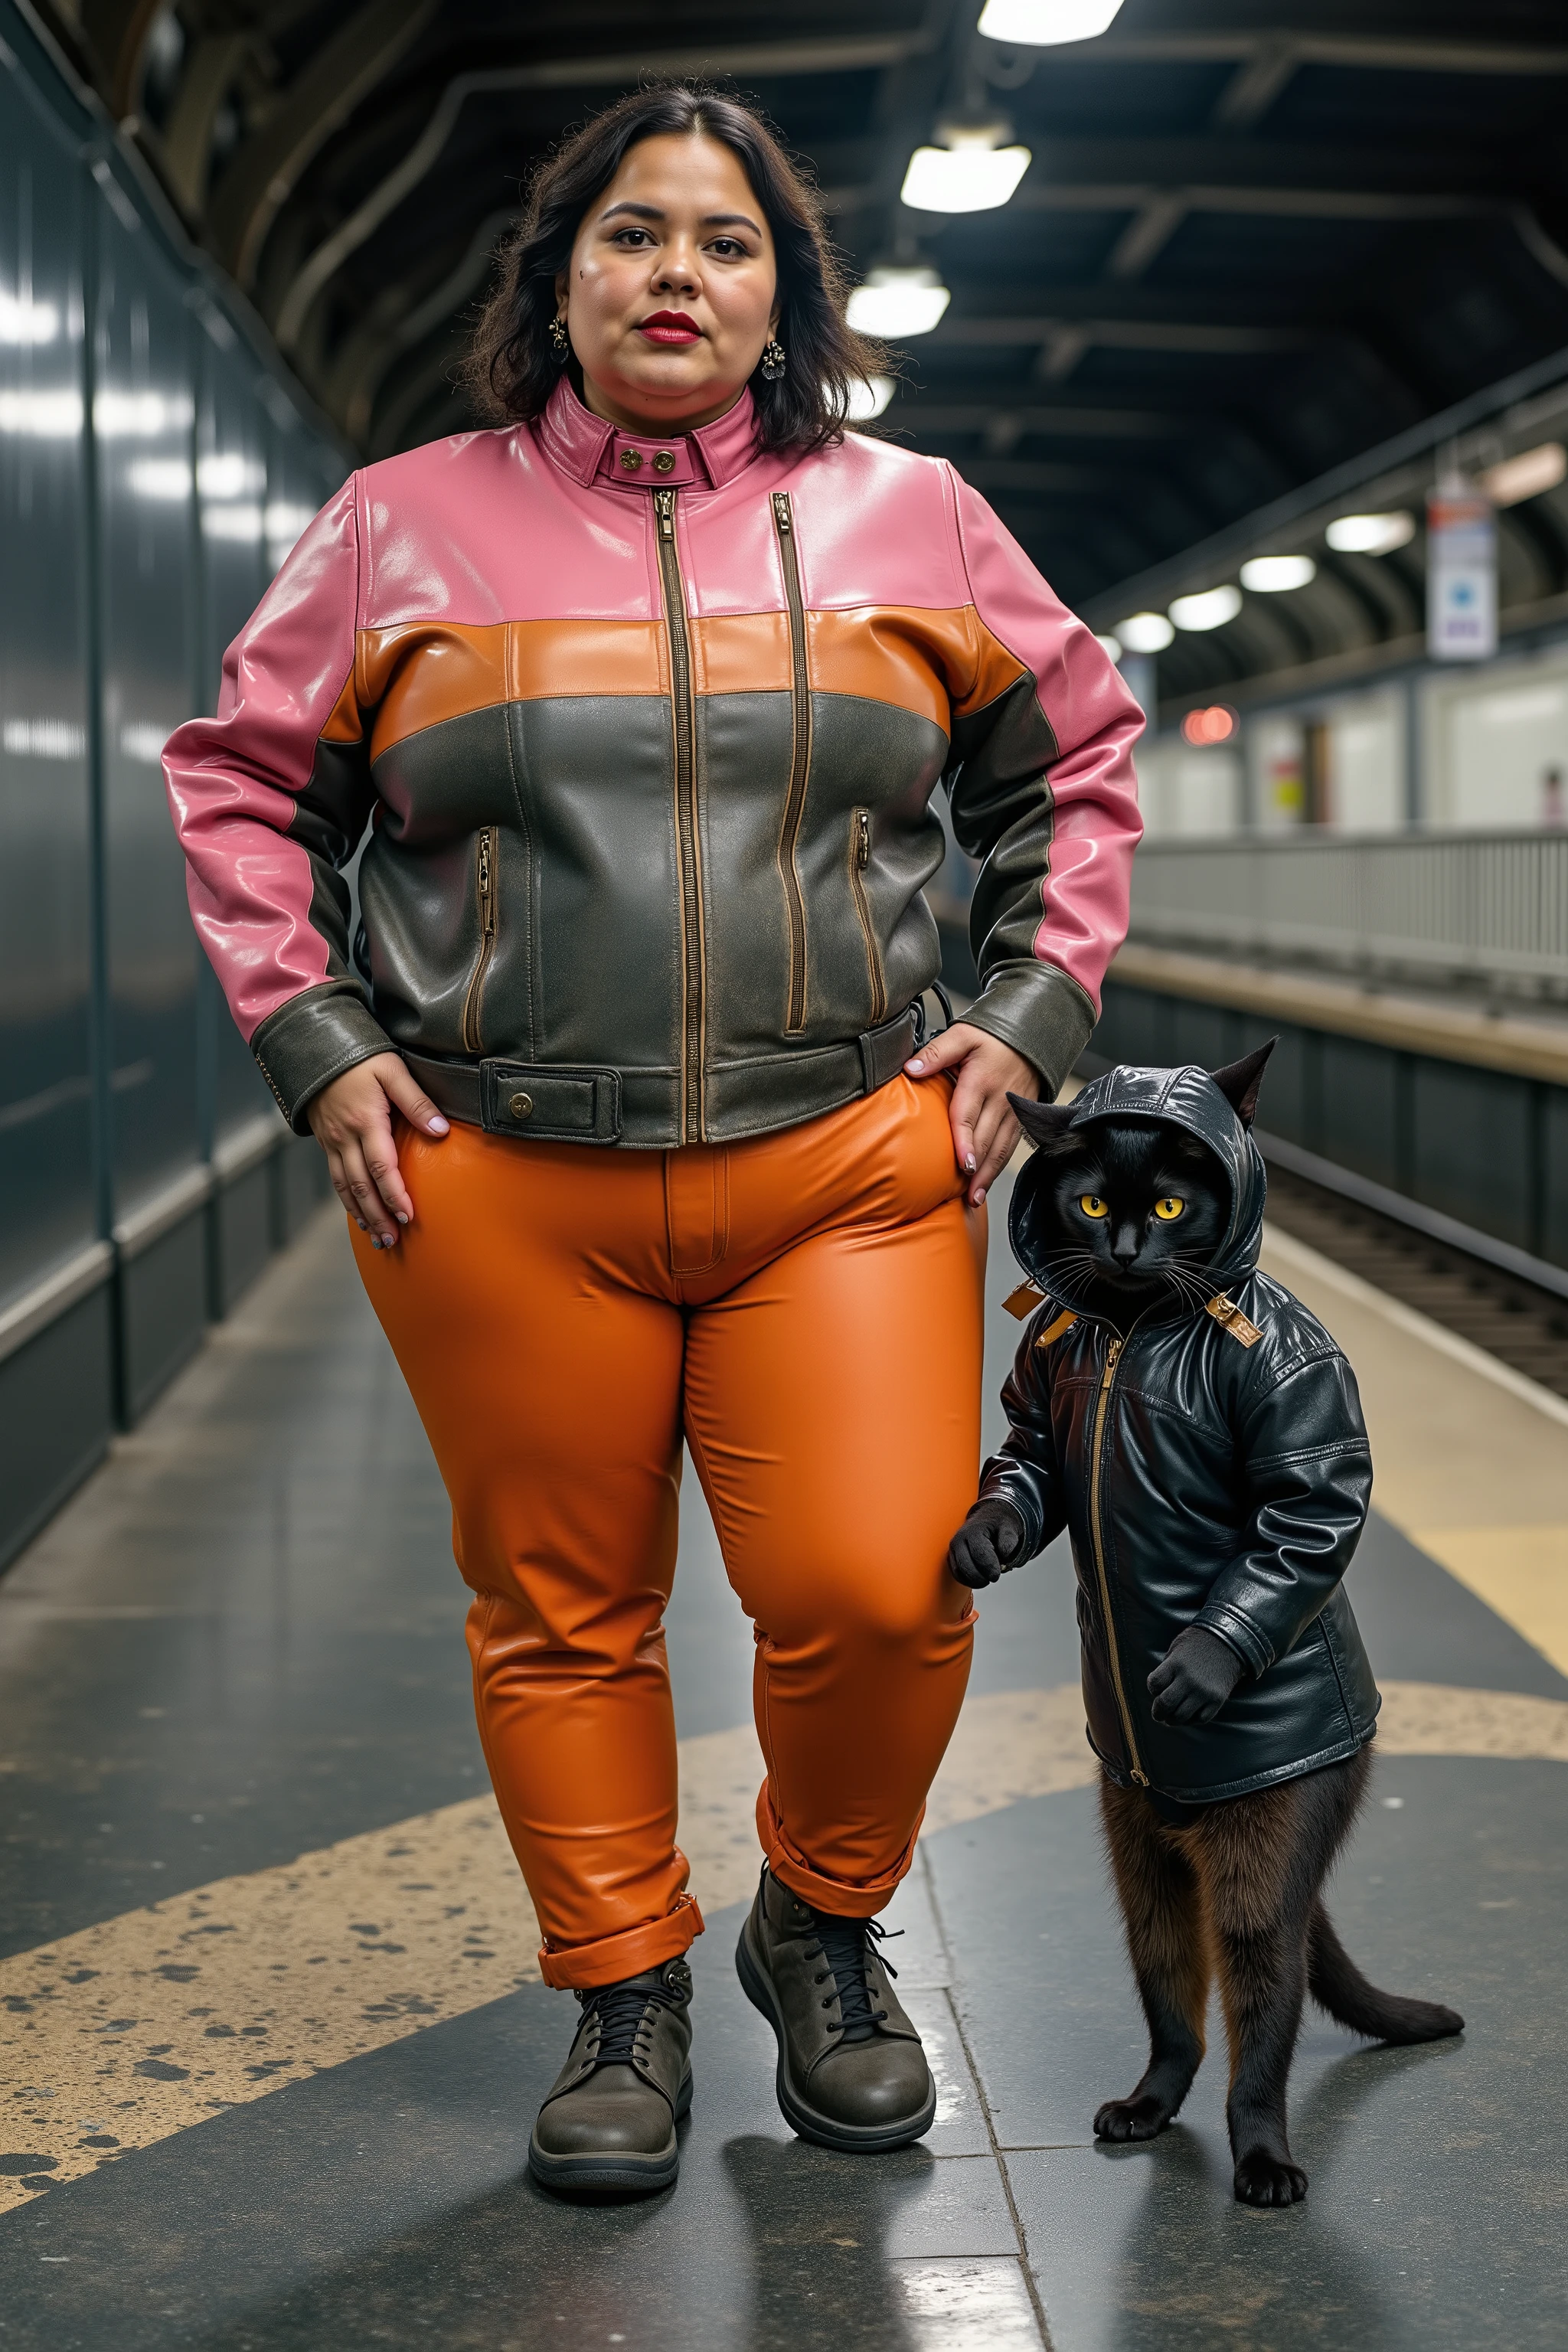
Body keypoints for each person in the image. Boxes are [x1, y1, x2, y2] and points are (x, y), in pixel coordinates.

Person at [164, 82, 1142, 2197]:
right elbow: (243, 786)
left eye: (723, 241)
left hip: (847, 1163)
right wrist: (319, 1039)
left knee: (881, 1588)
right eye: (631, 234)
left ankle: (824, 1924)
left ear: (782, 296)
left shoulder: (922, 517)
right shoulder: (399, 524)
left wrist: (1029, 1020)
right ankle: (623, 1992)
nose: (675, 272)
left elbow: (1069, 768)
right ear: (559, 276)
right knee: (561, 1607)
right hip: (500, 1176)